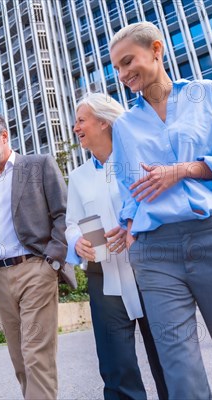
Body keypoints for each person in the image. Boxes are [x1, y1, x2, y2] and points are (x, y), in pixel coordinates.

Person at [109, 21, 212, 399]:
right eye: (116, 68)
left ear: (156, 49)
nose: (122, 74)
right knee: (179, 368)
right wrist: (128, 225)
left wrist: (183, 170)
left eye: (127, 61)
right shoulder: (124, 125)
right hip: (155, 254)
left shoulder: (207, 94)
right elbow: (128, 189)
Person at [66, 92, 167, 399]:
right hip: (104, 277)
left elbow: (159, 204)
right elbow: (71, 223)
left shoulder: (139, 160)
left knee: (168, 356)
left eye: (81, 120)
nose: (75, 127)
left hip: (150, 269)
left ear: (104, 122)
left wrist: (132, 228)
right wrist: (76, 242)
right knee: (115, 364)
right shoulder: (78, 176)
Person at [0, 112, 67, 399]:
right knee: (20, 360)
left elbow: (63, 213)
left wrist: (52, 262)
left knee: (36, 353)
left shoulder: (38, 165)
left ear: (4, 136)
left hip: (36, 268)